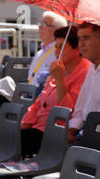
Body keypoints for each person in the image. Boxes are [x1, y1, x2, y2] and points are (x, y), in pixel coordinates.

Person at [20, 26, 90, 158]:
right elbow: (40, 101)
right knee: (7, 134)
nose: (57, 51)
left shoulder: (84, 72)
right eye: (56, 46)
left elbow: (68, 112)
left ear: (77, 49)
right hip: (37, 127)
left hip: (54, 131)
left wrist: (59, 80)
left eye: (61, 46)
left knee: (15, 141)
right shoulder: (59, 67)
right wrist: (25, 123)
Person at [67, 22, 100, 144]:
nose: (80, 44)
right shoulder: (92, 68)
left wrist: (78, 136)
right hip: (85, 132)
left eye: (86, 38)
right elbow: (80, 110)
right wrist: (71, 130)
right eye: (79, 39)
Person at [27, 11, 67, 95]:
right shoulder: (39, 53)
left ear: (57, 30)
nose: (40, 27)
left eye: (44, 24)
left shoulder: (60, 53)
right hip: (29, 94)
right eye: (40, 23)